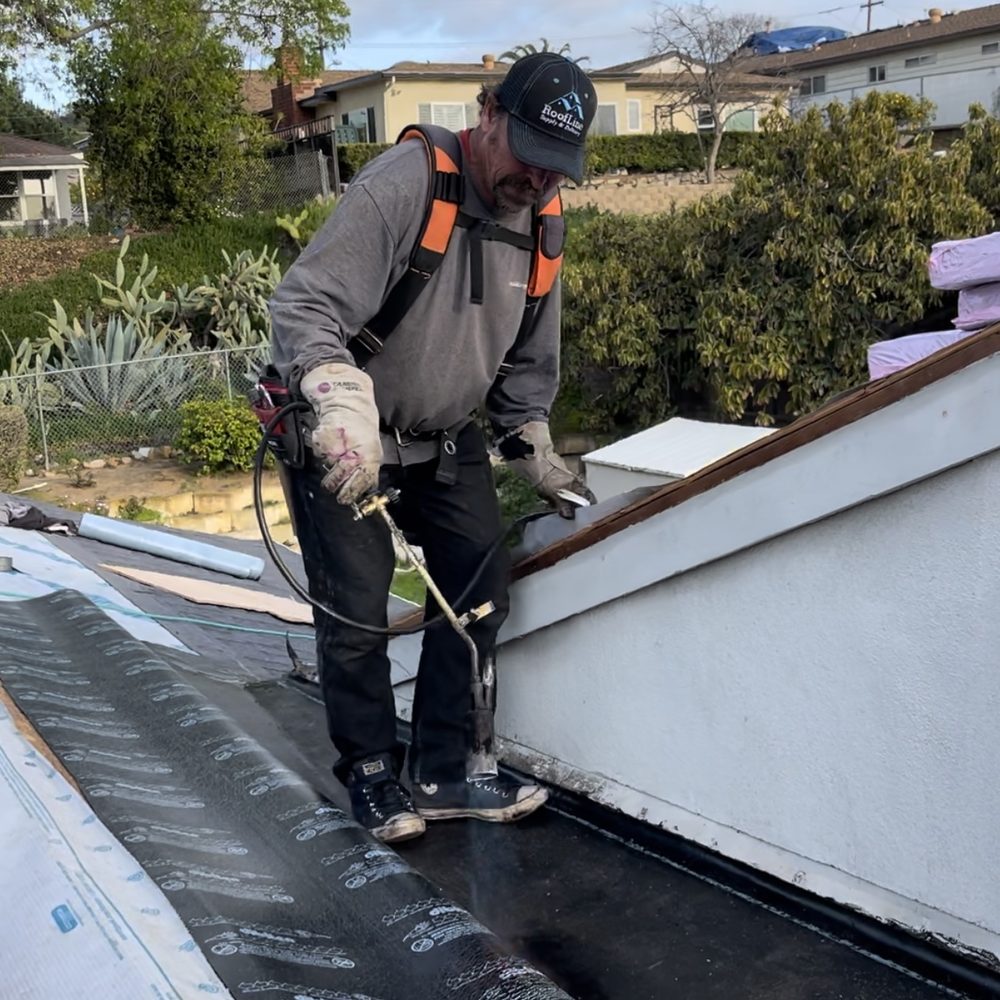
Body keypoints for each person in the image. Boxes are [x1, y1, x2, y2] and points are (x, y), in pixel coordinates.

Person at [268, 53, 598, 843]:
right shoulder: (408, 183)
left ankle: (447, 769)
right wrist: (336, 396)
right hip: (349, 439)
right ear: (488, 116)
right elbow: (304, 304)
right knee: (357, 617)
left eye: (557, 170)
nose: (538, 182)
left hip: (447, 443)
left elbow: (525, 365)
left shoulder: (544, 227)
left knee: (478, 600)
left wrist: (531, 441)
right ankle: (374, 775)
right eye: (528, 158)